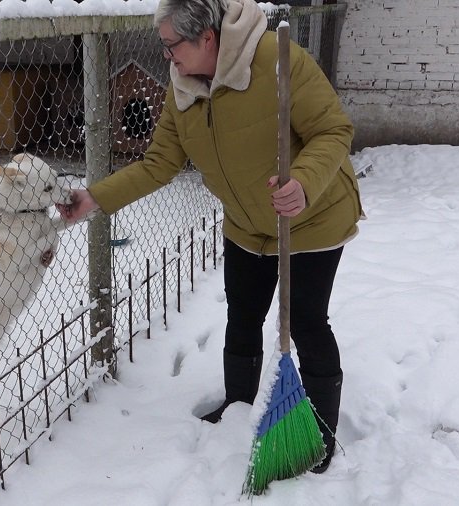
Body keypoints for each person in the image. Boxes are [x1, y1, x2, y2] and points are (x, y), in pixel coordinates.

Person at [57, 0, 362, 473]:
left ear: (207, 39)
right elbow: (159, 163)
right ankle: (239, 405)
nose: (166, 57)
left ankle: (319, 431)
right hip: (247, 226)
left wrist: (302, 181)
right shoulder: (181, 89)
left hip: (312, 219)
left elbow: (333, 130)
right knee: (242, 315)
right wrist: (95, 198)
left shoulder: (278, 61)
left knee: (306, 322)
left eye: (170, 45)